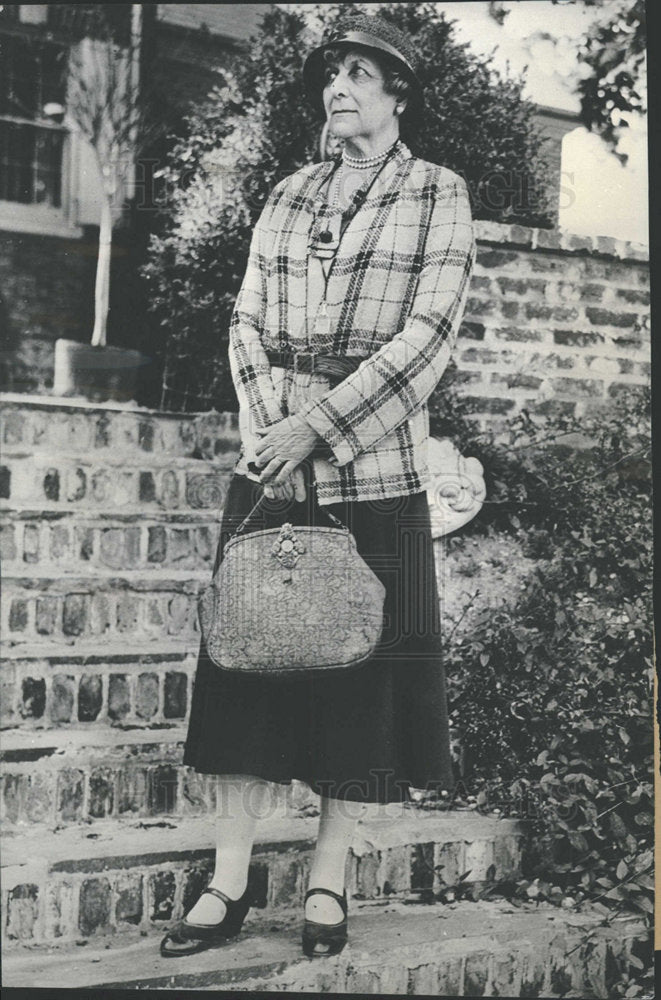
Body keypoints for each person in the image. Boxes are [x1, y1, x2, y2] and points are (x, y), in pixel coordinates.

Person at [160, 12, 476, 960]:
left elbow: (426, 339)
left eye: (358, 73)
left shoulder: (437, 194)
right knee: (243, 671)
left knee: (359, 688)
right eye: (330, 74)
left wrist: (319, 430)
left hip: (371, 471)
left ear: (397, 92)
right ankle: (228, 876)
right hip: (271, 469)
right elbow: (246, 320)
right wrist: (273, 432)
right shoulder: (290, 195)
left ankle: (329, 883)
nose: (338, 88)